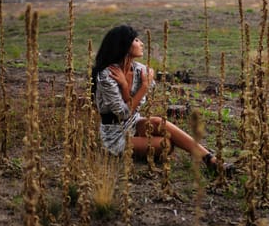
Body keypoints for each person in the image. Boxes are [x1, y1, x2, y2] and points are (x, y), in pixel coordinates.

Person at [91, 24, 223, 172]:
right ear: (124, 45)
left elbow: (135, 108)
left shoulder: (140, 70)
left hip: (134, 122)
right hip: (115, 134)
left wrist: (126, 87)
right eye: (136, 40)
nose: (141, 43)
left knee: (159, 122)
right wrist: (143, 87)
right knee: (165, 144)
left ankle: (210, 159)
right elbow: (122, 114)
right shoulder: (107, 75)